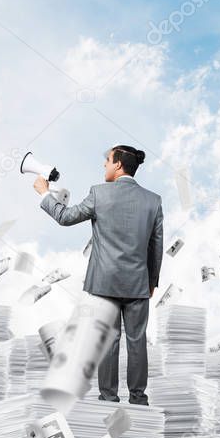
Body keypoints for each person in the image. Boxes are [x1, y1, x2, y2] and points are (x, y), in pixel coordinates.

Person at [34, 145, 163, 405]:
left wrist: (45, 193)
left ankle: (108, 398)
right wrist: (152, 282)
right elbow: (156, 244)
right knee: (137, 342)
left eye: (107, 160)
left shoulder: (98, 193)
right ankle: (139, 399)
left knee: (109, 341)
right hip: (138, 283)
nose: (104, 165)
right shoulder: (153, 200)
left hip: (104, 284)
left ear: (118, 165)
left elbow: (66, 217)